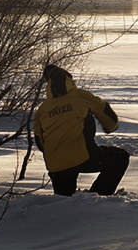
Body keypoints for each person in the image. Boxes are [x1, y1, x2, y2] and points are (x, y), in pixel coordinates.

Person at [34, 64, 130, 196]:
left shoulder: (42, 109)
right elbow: (106, 114)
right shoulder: (80, 96)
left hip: (56, 166)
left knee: (64, 201)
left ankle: (76, 205)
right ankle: (97, 197)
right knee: (120, 158)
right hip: (84, 157)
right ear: (69, 79)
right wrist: (111, 126)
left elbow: (40, 142)